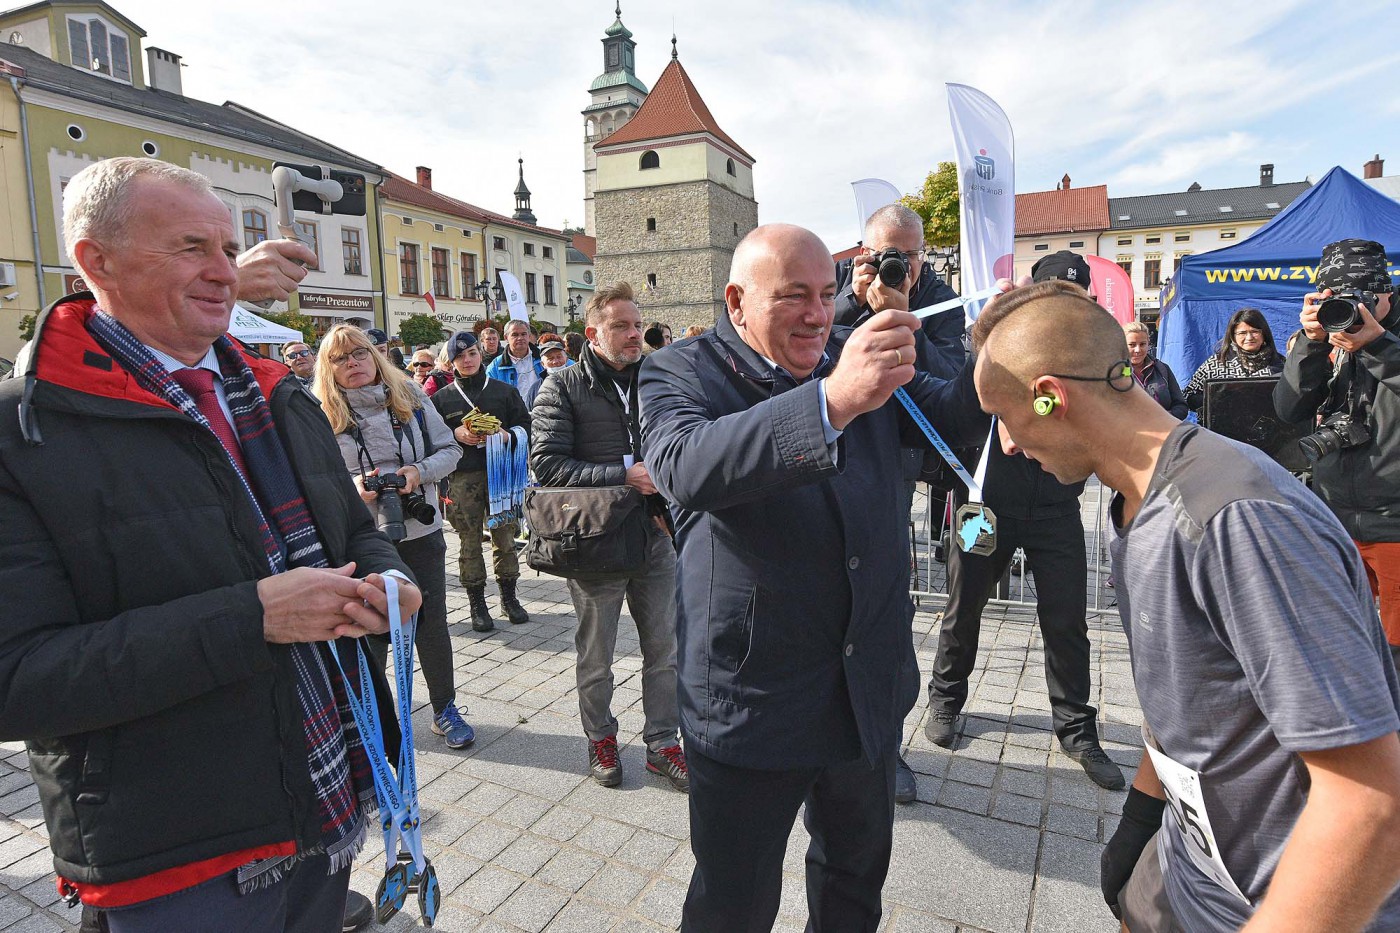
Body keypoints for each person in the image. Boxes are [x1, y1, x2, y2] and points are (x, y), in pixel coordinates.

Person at [0, 157, 421, 931]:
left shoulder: (276, 391)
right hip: (179, 855)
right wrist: (252, 618)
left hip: (327, 798)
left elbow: (355, 531)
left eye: (228, 249)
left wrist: (390, 579)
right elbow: (17, 679)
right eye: (191, 247)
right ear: (97, 260)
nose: (227, 272)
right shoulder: (23, 431)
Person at [974, 278, 1400, 933]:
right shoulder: (1137, 501)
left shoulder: (1237, 519)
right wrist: (1140, 822)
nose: (1006, 443)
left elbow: (1370, 804)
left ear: (1050, 396)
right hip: (1184, 874)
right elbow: (1192, 697)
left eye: (1004, 416)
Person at [639, 224, 988, 930]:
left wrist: (999, 359)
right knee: (732, 904)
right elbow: (685, 466)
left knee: (854, 886)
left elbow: (950, 415)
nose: (818, 314)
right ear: (737, 301)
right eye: (794, 295)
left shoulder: (847, 353)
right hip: (753, 697)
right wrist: (833, 402)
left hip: (864, 690)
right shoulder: (681, 370)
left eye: (828, 295)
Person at [925, 250, 1124, 791]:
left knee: (1066, 620)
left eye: (1079, 296)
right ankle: (945, 701)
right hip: (985, 505)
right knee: (964, 607)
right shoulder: (1008, 347)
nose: (1069, 305)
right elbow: (970, 402)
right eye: (1059, 293)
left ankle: (1077, 729)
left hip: (1058, 509)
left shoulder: (1092, 354)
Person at [531, 283, 688, 794]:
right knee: (596, 655)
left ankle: (663, 743)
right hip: (594, 540)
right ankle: (601, 738)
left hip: (656, 535)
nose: (633, 334)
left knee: (664, 650)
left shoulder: (656, 377)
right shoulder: (562, 385)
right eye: (621, 326)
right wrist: (625, 475)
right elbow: (547, 465)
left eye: (638, 325)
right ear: (592, 333)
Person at [834, 204, 967, 802]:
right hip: (829, 451)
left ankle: (886, 747)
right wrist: (852, 302)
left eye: (908, 255)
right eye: (885, 254)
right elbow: (808, 349)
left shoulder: (939, 299)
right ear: (863, 251)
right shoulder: (839, 287)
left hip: (894, 461)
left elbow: (951, 382)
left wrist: (902, 316)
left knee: (885, 610)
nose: (898, 264)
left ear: (922, 254)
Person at [315, 324, 475, 750]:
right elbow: (313, 477)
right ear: (328, 368)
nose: (352, 363)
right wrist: (353, 486)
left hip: (421, 529)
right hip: (361, 535)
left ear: (375, 357)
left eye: (359, 353)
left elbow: (451, 450)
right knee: (367, 626)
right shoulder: (320, 413)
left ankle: (444, 709)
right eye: (339, 358)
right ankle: (373, 715)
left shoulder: (411, 397)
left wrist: (417, 473)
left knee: (431, 623)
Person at [1275, 238, 1400, 669]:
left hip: (1394, 523)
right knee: (1340, 641)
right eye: (1337, 299)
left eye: (1362, 298)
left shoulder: (1387, 339)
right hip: (1334, 518)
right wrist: (1310, 344)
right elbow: (1289, 409)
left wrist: (1378, 344)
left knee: (1396, 652)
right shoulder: (1328, 338)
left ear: (1386, 292)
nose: (1351, 311)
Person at [431, 329, 532, 631]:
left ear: (480, 354)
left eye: (472, 353)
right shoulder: (441, 398)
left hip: (501, 476)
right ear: (451, 362)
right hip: (463, 477)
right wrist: (455, 433)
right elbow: (429, 438)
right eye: (460, 356)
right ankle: (477, 603)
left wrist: (505, 435)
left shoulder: (503, 391)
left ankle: (509, 598)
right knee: (469, 540)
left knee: (505, 538)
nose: (468, 360)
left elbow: (527, 428)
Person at [1183, 306, 1284, 413]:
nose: (1249, 337)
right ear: (1233, 336)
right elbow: (1189, 396)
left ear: (1264, 334)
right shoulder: (1216, 363)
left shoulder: (1280, 364)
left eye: (1255, 332)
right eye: (1242, 333)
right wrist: (1218, 400)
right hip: (1223, 422)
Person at [1123, 322, 1186, 417]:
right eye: (1132, 345)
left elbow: (1181, 406)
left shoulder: (1162, 369)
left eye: (1142, 344)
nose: (1138, 350)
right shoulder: (1112, 373)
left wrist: (1165, 417)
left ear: (1148, 344)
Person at [486, 318, 546, 405]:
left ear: (529, 336)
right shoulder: (495, 366)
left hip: (542, 409)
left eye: (523, 334)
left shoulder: (544, 358)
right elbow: (490, 396)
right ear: (506, 338)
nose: (520, 338)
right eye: (515, 334)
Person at [524, 335, 572, 409]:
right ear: (543, 364)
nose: (555, 362)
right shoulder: (536, 388)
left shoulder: (577, 381)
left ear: (566, 359)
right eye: (550, 358)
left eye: (559, 357)